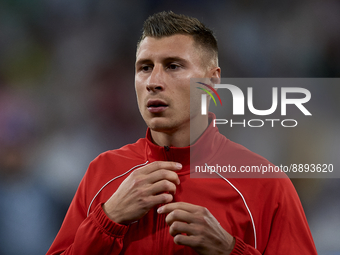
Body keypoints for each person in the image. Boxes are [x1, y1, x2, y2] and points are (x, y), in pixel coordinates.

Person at [47, 11, 317, 254]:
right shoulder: (102, 172)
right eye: (145, 67)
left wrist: (231, 250)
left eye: (173, 66)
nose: (153, 82)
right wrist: (108, 221)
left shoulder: (266, 185)